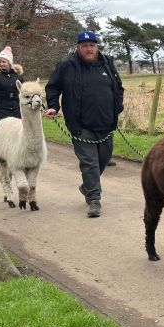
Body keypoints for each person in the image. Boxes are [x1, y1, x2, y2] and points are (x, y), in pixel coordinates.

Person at [45, 30, 125, 218]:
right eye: (84, 46)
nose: (89, 49)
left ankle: (87, 186)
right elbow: (53, 87)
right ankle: (94, 199)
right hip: (80, 125)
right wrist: (53, 107)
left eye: (92, 45)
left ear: (97, 46)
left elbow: (119, 88)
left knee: (103, 161)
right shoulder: (67, 65)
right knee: (89, 163)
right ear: (78, 47)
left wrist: (117, 107)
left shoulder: (107, 64)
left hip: (106, 124)